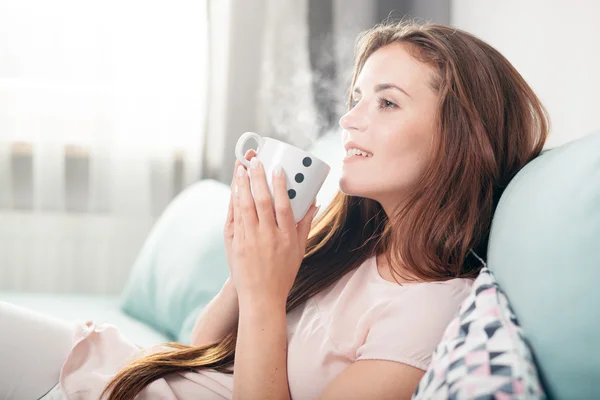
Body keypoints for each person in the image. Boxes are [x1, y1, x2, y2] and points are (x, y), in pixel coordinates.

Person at [0, 20, 549, 400]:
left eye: (385, 102)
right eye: (355, 98)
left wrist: (265, 294)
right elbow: (196, 354)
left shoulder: (432, 311)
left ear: (460, 137)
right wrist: (246, 271)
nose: (350, 120)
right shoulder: (352, 248)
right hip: (102, 371)